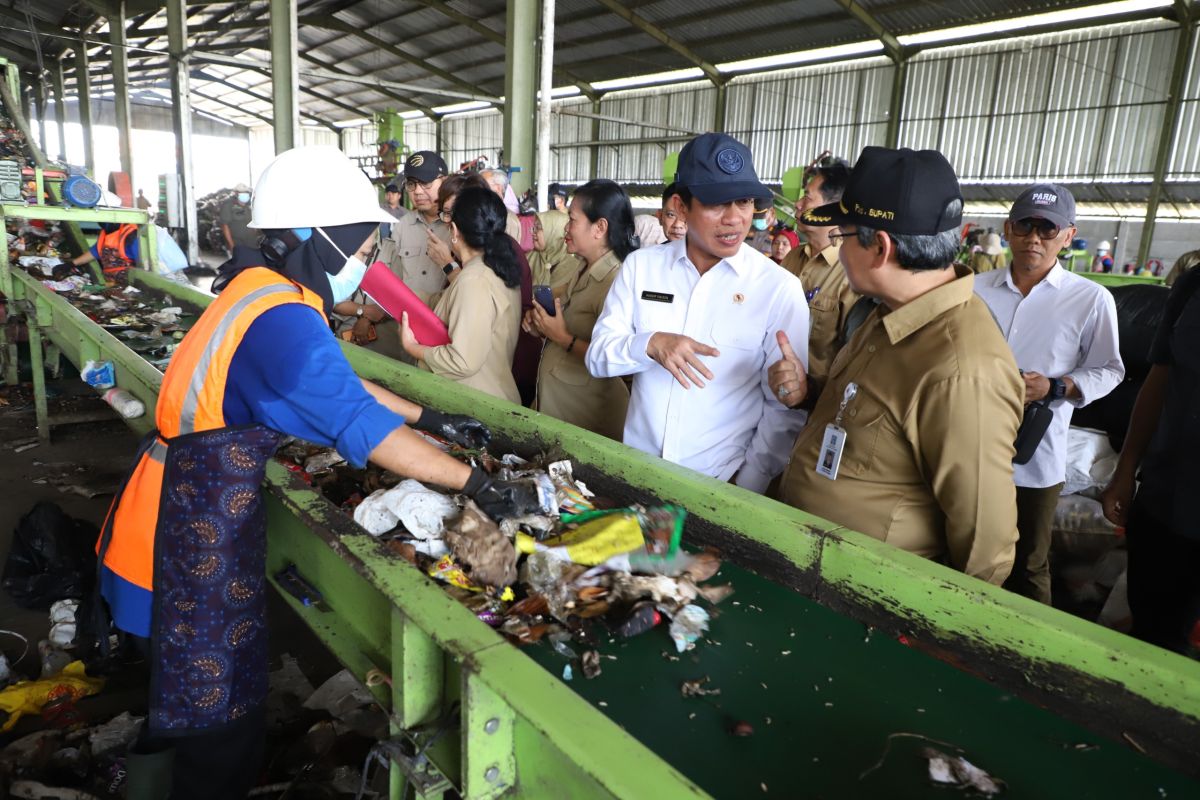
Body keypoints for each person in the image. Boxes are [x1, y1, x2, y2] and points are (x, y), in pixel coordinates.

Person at [97, 146, 539, 800]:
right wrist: (475, 485)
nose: (365, 265)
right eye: (360, 250)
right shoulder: (281, 321)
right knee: (211, 716)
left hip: (179, 508)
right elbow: (362, 428)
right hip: (191, 537)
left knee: (182, 697)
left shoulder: (263, 292)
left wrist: (433, 417)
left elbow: (340, 381)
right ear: (313, 236)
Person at [772, 146, 1022, 585]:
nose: (837, 246)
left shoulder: (962, 371)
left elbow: (986, 548)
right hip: (813, 569)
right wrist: (811, 392)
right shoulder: (886, 312)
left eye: (842, 235)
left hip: (869, 594)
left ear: (880, 248)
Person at [587, 133, 810, 493]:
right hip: (638, 475)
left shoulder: (777, 290)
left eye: (744, 202)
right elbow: (597, 358)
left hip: (721, 484)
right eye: (716, 203)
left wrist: (746, 484)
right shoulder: (641, 268)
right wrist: (651, 344)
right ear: (682, 205)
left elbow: (784, 410)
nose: (734, 219)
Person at [975, 184, 1124, 604]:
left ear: (1067, 234)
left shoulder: (1090, 299)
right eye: (1025, 225)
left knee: (1028, 562)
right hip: (968, 443)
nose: (1034, 238)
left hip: (1035, 457)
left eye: (1047, 228)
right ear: (1008, 229)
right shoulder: (974, 290)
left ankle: (1029, 654)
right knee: (966, 547)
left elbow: (1110, 369)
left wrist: (1057, 386)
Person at [1100, 259, 1200, 652]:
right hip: (1166, 500)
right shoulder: (1194, 284)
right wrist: (1125, 472)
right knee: (1153, 631)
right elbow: (1159, 379)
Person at [526, 180, 635, 440]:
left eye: (572, 220)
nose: (566, 228)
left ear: (599, 228)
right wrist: (542, 322)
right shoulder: (582, 267)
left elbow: (622, 361)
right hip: (560, 406)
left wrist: (562, 337)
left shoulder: (616, 282)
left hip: (586, 418)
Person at [400, 187, 523, 403]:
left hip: (475, 403)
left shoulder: (474, 280)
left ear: (454, 231)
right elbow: (450, 303)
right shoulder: (494, 268)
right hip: (490, 393)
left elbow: (462, 361)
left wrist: (413, 348)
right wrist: (401, 295)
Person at [779, 156, 860, 403]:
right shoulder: (791, 259)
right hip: (772, 397)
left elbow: (853, 362)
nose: (798, 203)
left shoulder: (852, 275)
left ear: (834, 207)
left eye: (808, 197)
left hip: (817, 406)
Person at [385, 151, 452, 301]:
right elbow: (391, 280)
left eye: (426, 183)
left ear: (445, 181)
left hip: (442, 319)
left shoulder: (457, 226)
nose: (418, 191)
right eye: (411, 184)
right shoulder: (402, 226)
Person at [528, 208, 583, 290]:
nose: (533, 232)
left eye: (538, 228)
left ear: (556, 233)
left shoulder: (574, 269)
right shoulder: (528, 255)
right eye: (534, 227)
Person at [72, 221, 140, 281]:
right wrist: (71, 264)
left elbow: (142, 264)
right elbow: (94, 252)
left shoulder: (131, 235)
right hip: (111, 282)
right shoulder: (107, 232)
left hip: (128, 282)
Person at [218, 183, 259, 253]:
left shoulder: (249, 206)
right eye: (242, 193)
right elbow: (225, 226)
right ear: (236, 193)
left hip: (251, 243)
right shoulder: (228, 205)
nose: (245, 195)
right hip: (237, 244)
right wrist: (231, 245)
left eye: (246, 193)